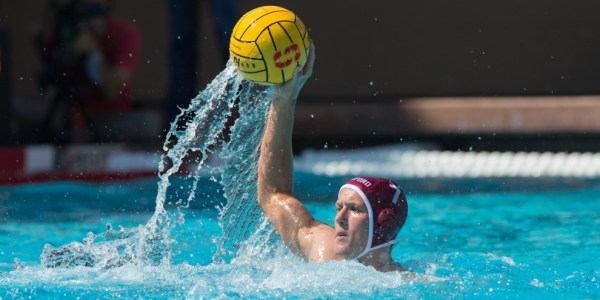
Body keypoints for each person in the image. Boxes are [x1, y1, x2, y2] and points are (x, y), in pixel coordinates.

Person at [257, 43, 409, 272]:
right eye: (339, 207)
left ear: (383, 222)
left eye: (354, 209)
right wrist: (283, 100)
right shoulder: (321, 249)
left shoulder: (405, 287)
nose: (339, 218)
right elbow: (274, 195)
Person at [36, 0, 158, 142]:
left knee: (148, 123)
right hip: (67, 111)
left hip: (109, 115)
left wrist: (94, 53)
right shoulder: (65, 29)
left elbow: (113, 92)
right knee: (15, 109)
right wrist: (42, 44)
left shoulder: (125, 34)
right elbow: (52, 79)